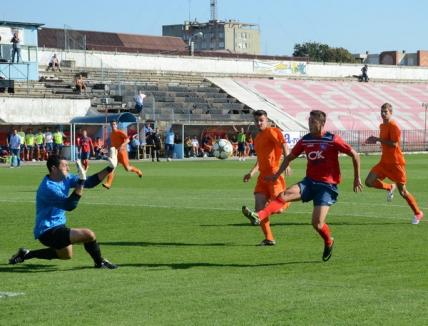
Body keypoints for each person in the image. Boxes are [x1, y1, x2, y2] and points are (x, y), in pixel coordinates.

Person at [243, 110, 363, 261]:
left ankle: (328, 241)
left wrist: (357, 177)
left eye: (313, 122)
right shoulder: (306, 140)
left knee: (317, 224)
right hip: (309, 182)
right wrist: (277, 174)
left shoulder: (332, 139)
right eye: (309, 121)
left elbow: (355, 154)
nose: (310, 125)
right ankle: (259, 215)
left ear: (322, 124)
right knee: (283, 195)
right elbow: (290, 157)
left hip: (327, 186)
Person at [8, 152, 118, 269]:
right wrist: (81, 182)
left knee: (66, 255)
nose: (68, 168)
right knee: (89, 235)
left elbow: (89, 182)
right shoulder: (48, 188)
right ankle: (99, 262)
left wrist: (110, 168)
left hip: (59, 226)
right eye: (65, 165)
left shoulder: (65, 178)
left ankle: (26, 254)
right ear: (54, 168)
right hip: (47, 231)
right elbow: (70, 205)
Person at [365, 103, 424, 225]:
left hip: (396, 163)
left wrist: (377, 139)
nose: (383, 114)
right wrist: (375, 141)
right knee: (369, 182)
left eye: (385, 112)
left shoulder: (394, 125)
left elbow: (394, 144)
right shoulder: (382, 125)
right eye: (381, 111)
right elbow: (385, 143)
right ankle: (390, 187)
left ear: (391, 112)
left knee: (403, 192)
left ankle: (418, 213)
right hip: (384, 162)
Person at [241, 110, 292, 245]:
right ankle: (269, 238)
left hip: (274, 175)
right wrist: (251, 173)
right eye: (256, 121)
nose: (259, 123)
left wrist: (287, 162)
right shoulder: (257, 139)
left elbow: (284, 145)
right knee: (259, 206)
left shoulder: (272, 131)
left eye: (261, 120)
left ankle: (289, 199)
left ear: (267, 120)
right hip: (262, 178)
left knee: (280, 208)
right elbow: (260, 160)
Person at [102, 120, 143, 189]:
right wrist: (107, 150)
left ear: (116, 125)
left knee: (127, 168)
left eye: (114, 124)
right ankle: (108, 183)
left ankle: (137, 171)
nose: (113, 126)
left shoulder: (119, 132)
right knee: (112, 167)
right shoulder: (112, 134)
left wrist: (122, 145)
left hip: (122, 153)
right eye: (112, 124)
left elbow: (128, 139)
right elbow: (113, 144)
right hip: (115, 153)